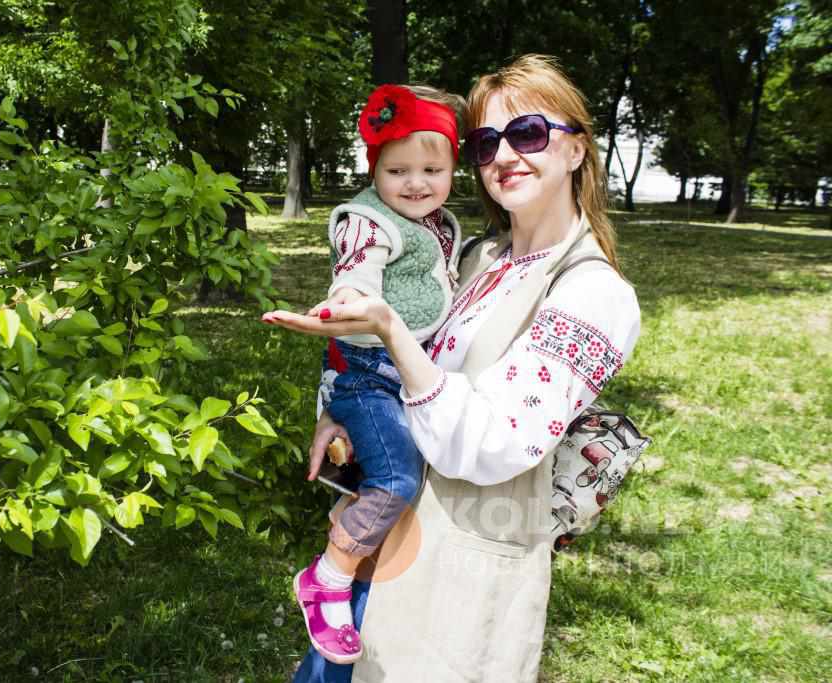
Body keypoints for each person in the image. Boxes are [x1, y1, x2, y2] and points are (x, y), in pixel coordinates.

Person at [262, 54, 642, 682]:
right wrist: (343, 401)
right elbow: (398, 347)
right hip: (382, 548)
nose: (504, 155)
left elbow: (493, 442)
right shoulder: (477, 255)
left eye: (528, 134)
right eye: (487, 141)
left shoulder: (593, 295)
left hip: (460, 572)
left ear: (577, 150)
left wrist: (387, 329)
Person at [286, 83, 466, 665]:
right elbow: (356, 271)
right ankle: (329, 577)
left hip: (405, 372)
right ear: (374, 170)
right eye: (398, 170)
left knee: (396, 482)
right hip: (367, 374)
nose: (415, 183)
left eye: (431, 169)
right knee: (393, 478)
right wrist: (346, 302)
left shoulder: (438, 224)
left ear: (452, 170)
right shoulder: (368, 221)